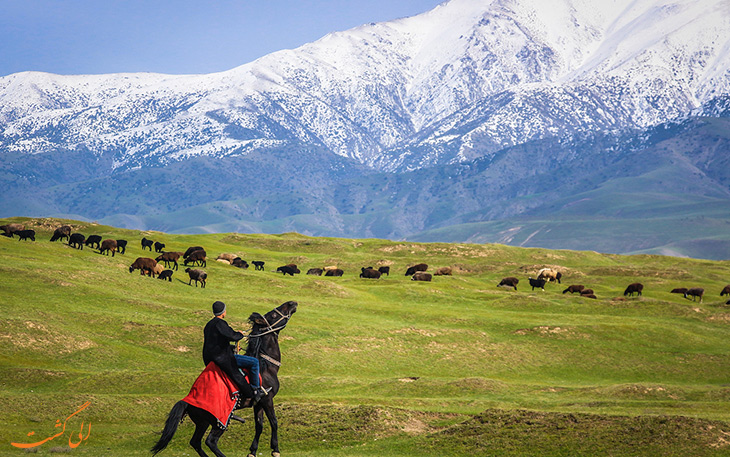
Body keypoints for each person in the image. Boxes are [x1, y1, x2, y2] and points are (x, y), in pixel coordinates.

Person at [203, 301, 265, 404]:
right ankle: (255, 390)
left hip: (210, 358)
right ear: (223, 312)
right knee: (254, 362)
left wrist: (232, 348)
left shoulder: (209, 325)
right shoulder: (220, 323)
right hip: (222, 359)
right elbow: (232, 336)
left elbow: (216, 343)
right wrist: (240, 334)